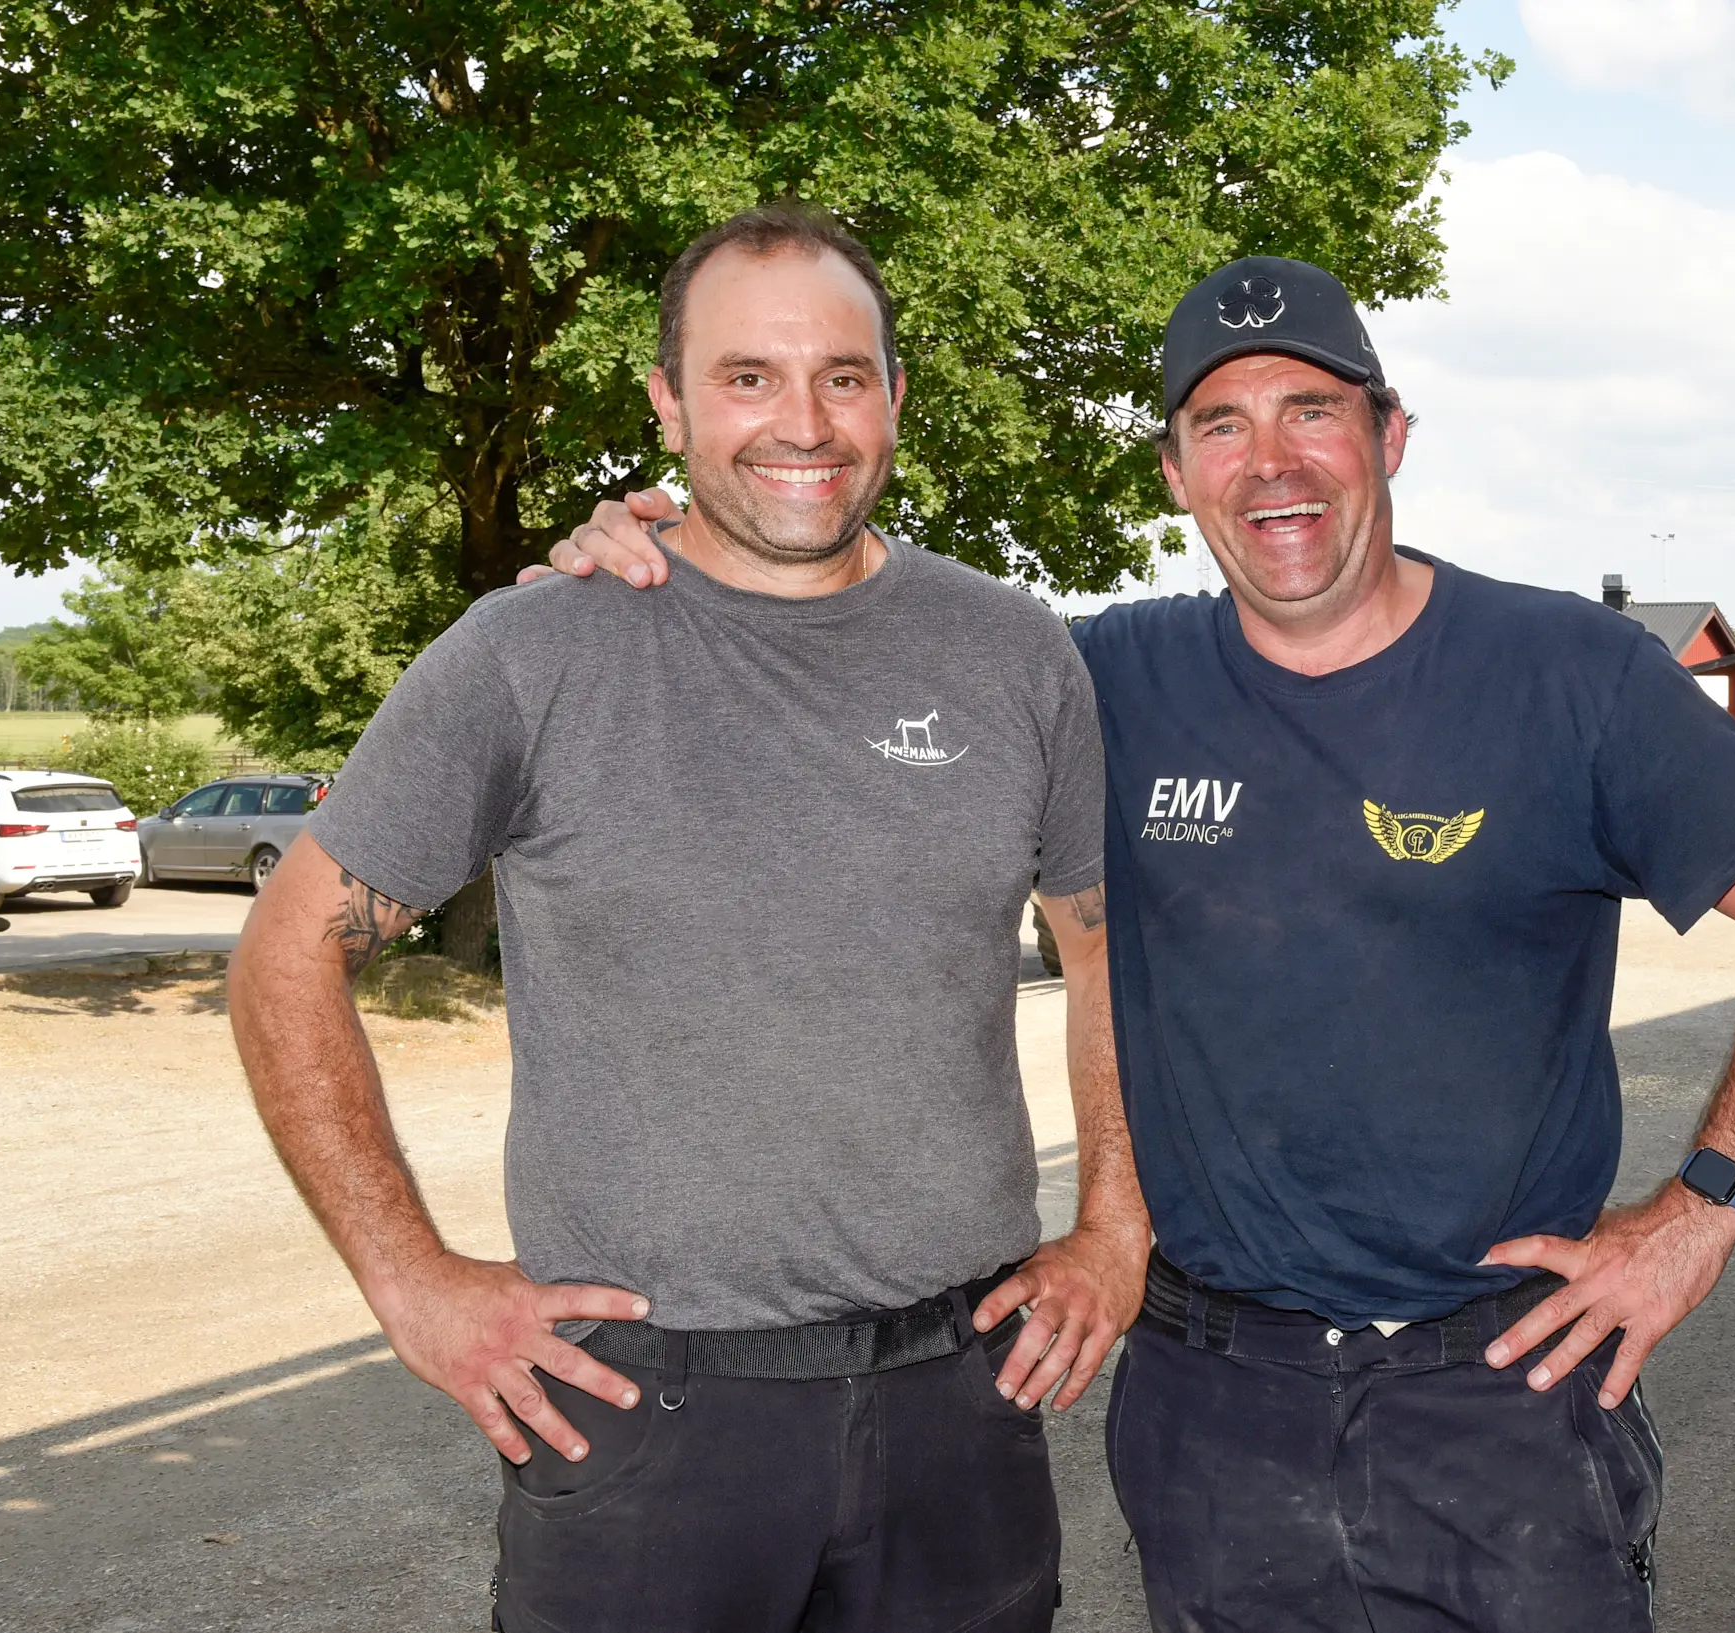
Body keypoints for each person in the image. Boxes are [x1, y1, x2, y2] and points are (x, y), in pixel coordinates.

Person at [531, 256, 1735, 1630]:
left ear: (1390, 434)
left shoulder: (1572, 676)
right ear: (1176, 472)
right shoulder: (1103, 681)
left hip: (1503, 1404)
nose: (1270, 463)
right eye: (1220, 427)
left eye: (1310, 410)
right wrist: (656, 563)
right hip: (1210, 1409)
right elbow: (847, 658)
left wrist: (1700, 1212)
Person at [228, 203, 1150, 1633]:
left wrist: (1113, 1226)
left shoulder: (1014, 651)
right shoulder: (535, 651)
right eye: (747, 378)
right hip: (644, 1423)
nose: (806, 422)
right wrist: (408, 1279)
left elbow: (1102, 955)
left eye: (845, 375)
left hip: (959, 1399)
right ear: (667, 404)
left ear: (896, 397)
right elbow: (288, 952)